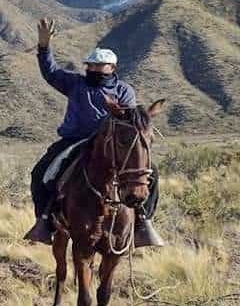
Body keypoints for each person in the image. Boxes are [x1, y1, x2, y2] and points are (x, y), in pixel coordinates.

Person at [24, 18, 163, 246]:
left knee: (152, 174)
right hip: (74, 140)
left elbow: (128, 119)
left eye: (101, 66)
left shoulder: (124, 91)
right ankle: (44, 220)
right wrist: (44, 47)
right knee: (41, 172)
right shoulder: (75, 83)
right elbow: (50, 72)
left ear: (112, 68)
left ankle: (142, 223)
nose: (95, 69)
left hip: (111, 144)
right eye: (91, 65)